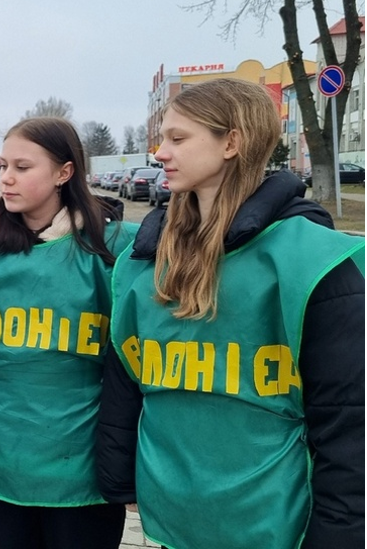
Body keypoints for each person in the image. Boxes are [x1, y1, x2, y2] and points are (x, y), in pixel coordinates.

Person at [99, 78, 365, 548]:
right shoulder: (145, 259)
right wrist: (119, 474)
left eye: (178, 139)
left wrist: (340, 535)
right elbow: (125, 380)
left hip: (274, 524)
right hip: (176, 515)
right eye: (163, 138)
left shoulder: (315, 263)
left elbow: (347, 421)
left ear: (232, 142)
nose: (160, 153)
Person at [0, 116, 136, 548]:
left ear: (64, 173)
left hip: (81, 456)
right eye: (3, 165)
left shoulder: (117, 250)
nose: (5, 179)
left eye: (22, 168)